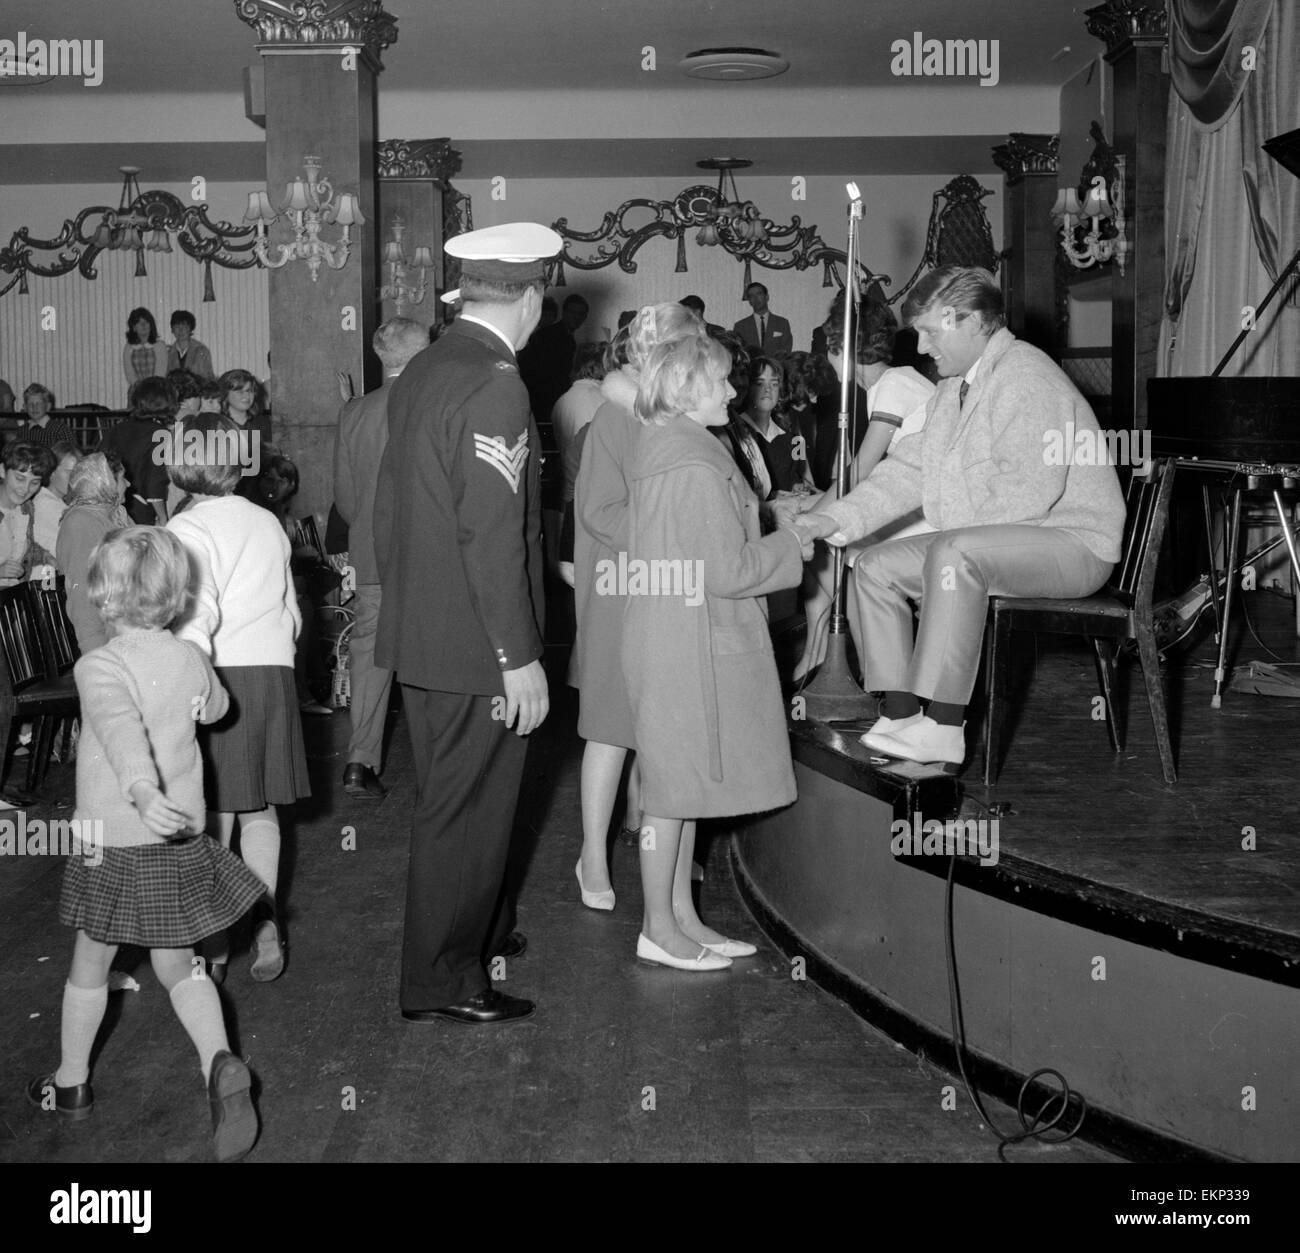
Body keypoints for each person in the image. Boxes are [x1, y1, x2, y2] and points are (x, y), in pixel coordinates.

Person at [794, 266, 1126, 768]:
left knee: (952, 554)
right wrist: (831, 519)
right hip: (1004, 541)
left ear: (971, 321)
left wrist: (944, 548)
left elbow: (1027, 495)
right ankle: (902, 711)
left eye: (930, 331)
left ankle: (945, 725)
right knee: (873, 567)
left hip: (1073, 544)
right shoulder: (955, 388)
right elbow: (905, 472)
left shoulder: (1027, 377)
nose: (923, 347)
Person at [27, 526, 264, 1162]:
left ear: (103, 597)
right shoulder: (187, 657)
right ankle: (218, 1061)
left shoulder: (98, 665)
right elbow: (215, 709)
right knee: (178, 964)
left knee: (90, 963)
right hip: (177, 842)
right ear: (174, 598)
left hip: (115, 842)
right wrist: (192, 692)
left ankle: (71, 1083)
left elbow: (116, 724)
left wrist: (137, 787)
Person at [375, 221, 558, 1026]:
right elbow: (489, 532)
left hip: (427, 631)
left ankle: (473, 935)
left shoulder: (424, 369)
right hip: (478, 645)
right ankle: (447, 980)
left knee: (455, 804)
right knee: (468, 813)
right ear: (532, 295)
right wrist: (518, 655)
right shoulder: (496, 383)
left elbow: (394, 510)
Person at [623, 318, 811, 970]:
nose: (734, 390)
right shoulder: (694, 462)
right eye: (723, 379)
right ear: (687, 385)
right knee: (672, 792)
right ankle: (658, 927)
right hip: (686, 642)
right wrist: (791, 545)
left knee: (684, 786)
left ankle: (682, 920)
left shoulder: (671, 443)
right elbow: (725, 569)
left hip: (675, 632)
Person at [167, 414, 309, 984]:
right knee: (260, 809)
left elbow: (195, 620)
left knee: (215, 812)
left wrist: (189, 687)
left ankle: (216, 939)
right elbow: (292, 613)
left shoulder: (186, 528)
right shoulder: (268, 522)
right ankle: (266, 923)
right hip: (272, 674)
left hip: (217, 675)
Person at [571, 310, 701, 913]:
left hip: (666, 585)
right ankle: (592, 856)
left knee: (660, 733)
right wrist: (670, 535)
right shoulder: (613, 416)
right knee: (610, 726)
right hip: (618, 585)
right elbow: (599, 510)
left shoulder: (673, 415)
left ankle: (660, 851)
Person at [793, 300, 936, 682]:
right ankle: (822, 656)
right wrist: (813, 512)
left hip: (934, 514)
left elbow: (861, 469)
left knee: (840, 546)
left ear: (841, 349)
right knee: (824, 547)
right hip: (921, 502)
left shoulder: (893, 384)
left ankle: (880, 674)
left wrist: (812, 520)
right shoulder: (891, 384)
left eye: (829, 347)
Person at [334, 318, 428, 798]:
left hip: (370, 554)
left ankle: (358, 762)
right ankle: (437, 765)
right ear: (425, 350)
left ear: (379, 355)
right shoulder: (432, 404)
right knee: (428, 650)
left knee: (369, 656)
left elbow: (345, 500)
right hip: (425, 555)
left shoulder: (354, 412)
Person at [56, 452, 130, 654]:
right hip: (104, 641)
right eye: (123, 478)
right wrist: (95, 652)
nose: (129, 484)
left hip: (126, 632)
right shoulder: (81, 522)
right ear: (104, 482)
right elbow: (82, 596)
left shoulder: (114, 514)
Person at [100, 375, 176, 525]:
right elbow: (155, 482)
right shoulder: (161, 435)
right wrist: (162, 516)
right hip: (141, 511)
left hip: (111, 506)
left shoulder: (118, 428)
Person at [519, 292, 588, 423]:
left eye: (580, 314)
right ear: (564, 312)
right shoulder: (548, 336)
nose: (576, 317)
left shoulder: (564, 336)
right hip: (545, 403)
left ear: (585, 317)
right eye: (573, 312)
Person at [0, 441, 55, 586]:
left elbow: (23, 550)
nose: (25, 489)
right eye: (20, 478)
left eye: (35, 482)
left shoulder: (26, 508)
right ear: (1, 471)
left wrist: (46, 557)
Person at [32, 440, 79, 561]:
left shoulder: (59, 501)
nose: (76, 479)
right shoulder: (45, 504)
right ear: (52, 472)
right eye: (70, 472)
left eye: (79, 473)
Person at [733, 281, 792, 355]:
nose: (755, 298)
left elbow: (786, 350)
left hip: (775, 365)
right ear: (749, 301)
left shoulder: (782, 323)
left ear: (767, 297)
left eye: (759, 294)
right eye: (751, 296)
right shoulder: (740, 326)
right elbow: (740, 353)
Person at [121, 307, 170, 396]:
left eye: (146, 322)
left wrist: (149, 388)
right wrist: (137, 385)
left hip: (156, 390)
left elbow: (160, 373)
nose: (144, 325)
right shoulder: (128, 347)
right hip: (136, 390)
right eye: (139, 323)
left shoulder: (160, 346)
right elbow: (129, 373)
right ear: (134, 328)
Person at [18, 383, 76, 450]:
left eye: (39, 403)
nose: (34, 407)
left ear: (48, 406)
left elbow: (72, 453)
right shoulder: (22, 431)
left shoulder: (60, 430)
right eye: (30, 404)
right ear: (25, 407)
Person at [166, 310, 215, 380]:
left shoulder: (201, 350)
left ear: (190, 329)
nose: (181, 330)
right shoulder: (168, 353)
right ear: (172, 329)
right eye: (177, 326)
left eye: (185, 327)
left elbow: (208, 378)